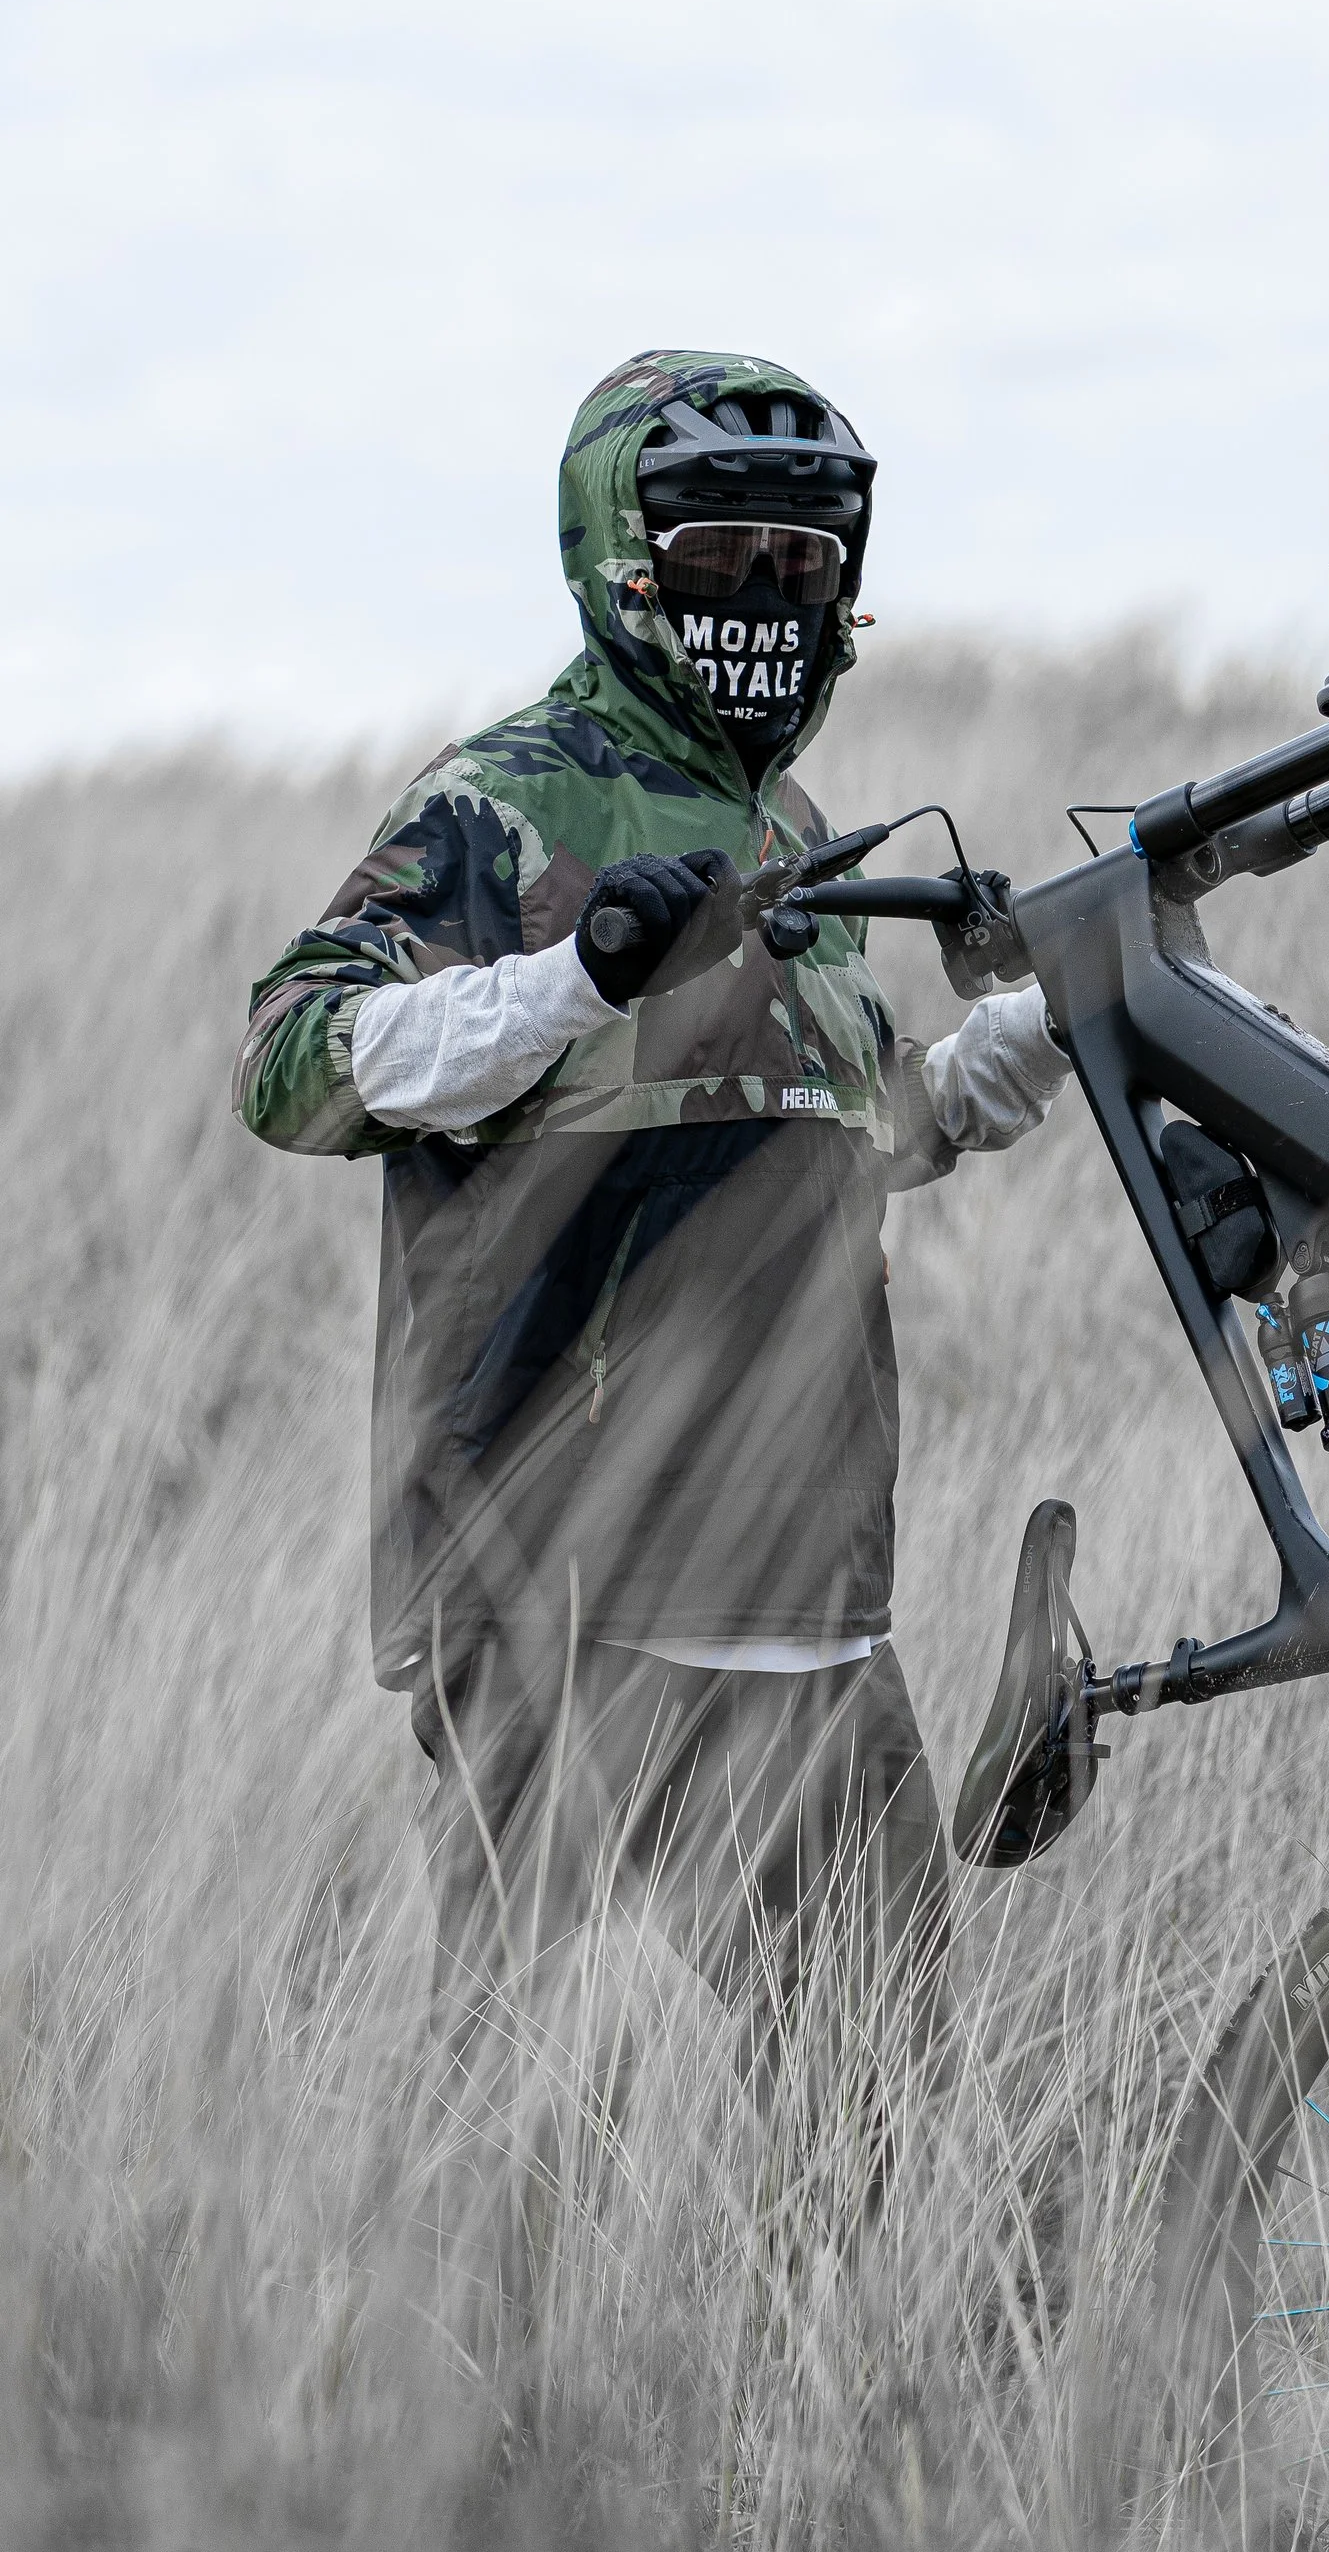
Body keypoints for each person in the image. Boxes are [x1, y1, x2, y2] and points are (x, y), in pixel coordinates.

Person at [234, 347, 1067, 2109]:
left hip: (816, 1608)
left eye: (801, 562)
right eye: (716, 560)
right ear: (619, 559)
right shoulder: (499, 800)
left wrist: (1015, 1050)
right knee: (507, 2156)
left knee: (888, 2140)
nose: (764, 595)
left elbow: (835, 1128)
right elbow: (293, 1067)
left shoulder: (800, 828)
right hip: (562, 1605)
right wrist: (571, 976)